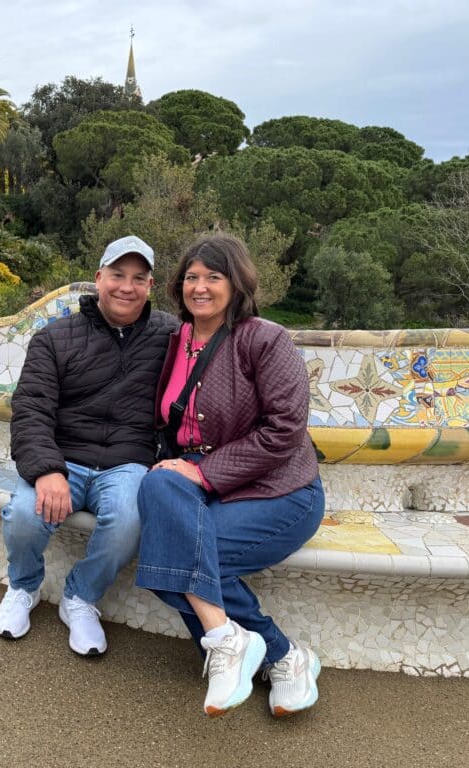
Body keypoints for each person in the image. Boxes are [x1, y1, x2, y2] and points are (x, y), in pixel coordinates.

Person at [135, 233, 325, 717]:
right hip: (205, 484)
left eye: (213, 277)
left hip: (280, 488)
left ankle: (274, 654)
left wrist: (205, 474)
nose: (199, 287)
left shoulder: (265, 339)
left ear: (236, 283)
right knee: (158, 488)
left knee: (179, 557)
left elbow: (285, 430)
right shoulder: (174, 340)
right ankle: (255, 648)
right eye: (191, 277)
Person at [0, 235, 178, 656]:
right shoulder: (54, 339)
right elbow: (31, 409)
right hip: (64, 458)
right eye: (117, 275)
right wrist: (46, 470)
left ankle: (80, 597)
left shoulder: (170, 336)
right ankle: (23, 586)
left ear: (150, 285)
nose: (126, 287)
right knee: (23, 515)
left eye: (138, 278)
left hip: (128, 462)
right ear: (98, 278)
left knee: (130, 520)